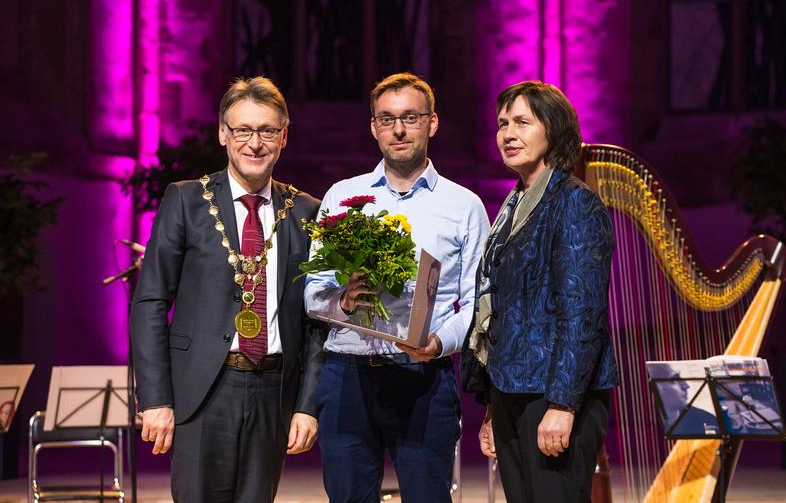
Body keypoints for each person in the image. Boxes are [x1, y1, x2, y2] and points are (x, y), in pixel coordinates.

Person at [131, 76, 324, 502]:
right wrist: (156, 399)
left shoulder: (306, 212)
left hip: (273, 393)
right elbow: (150, 301)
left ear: (284, 136)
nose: (255, 143)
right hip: (202, 391)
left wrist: (308, 405)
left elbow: (317, 322)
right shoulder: (186, 200)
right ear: (223, 133)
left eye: (267, 131)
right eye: (243, 130)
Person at [304, 72, 489, 503]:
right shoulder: (341, 196)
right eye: (386, 119)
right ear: (373, 127)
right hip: (347, 372)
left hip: (423, 376)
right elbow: (312, 291)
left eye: (410, 117)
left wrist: (440, 342)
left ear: (432, 123)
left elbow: (478, 301)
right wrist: (343, 301)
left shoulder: (462, 205)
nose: (399, 130)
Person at [461, 80, 619, 503]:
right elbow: (502, 310)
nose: (508, 133)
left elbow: (581, 315)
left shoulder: (573, 202)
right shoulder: (514, 205)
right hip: (513, 391)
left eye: (522, 122)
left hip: (554, 396)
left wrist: (563, 405)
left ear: (553, 128)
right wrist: (493, 406)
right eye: (502, 124)